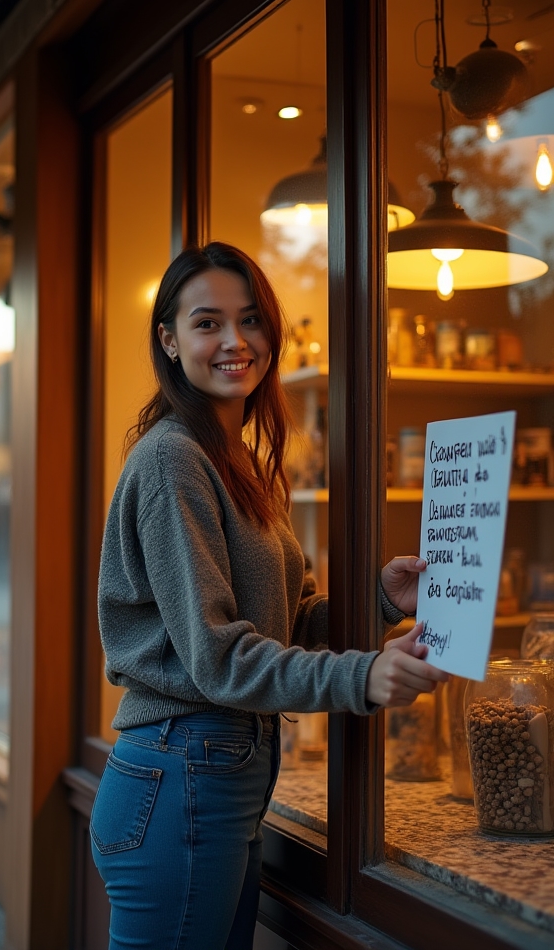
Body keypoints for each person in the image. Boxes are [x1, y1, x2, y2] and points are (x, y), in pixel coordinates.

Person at [91, 243, 447, 950]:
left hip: (215, 776)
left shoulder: (239, 460)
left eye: (250, 319)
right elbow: (218, 657)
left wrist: (380, 599)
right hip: (182, 772)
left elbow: (288, 619)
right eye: (208, 323)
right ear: (169, 340)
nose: (235, 341)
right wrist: (363, 676)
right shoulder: (172, 459)